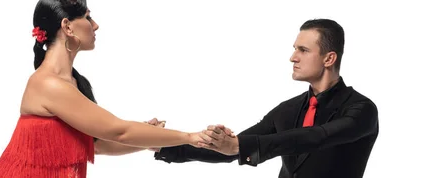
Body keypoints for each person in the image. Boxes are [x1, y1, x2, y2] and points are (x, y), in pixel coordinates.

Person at [0, 0, 208, 177]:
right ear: (68, 27)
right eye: (88, 17)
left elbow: (98, 145)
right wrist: (191, 137)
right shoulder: (48, 84)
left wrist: (147, 137)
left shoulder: (72, 82)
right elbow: (119, 131)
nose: (96, 25)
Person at [153, 18, 379, 178]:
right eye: (294, 49)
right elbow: (230, 150)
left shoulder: (361, 110)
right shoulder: (288, 109)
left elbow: (316, 137)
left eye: (303, 50)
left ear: (329, 59)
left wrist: (239, 145)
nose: (293, 57)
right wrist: (161, 143)